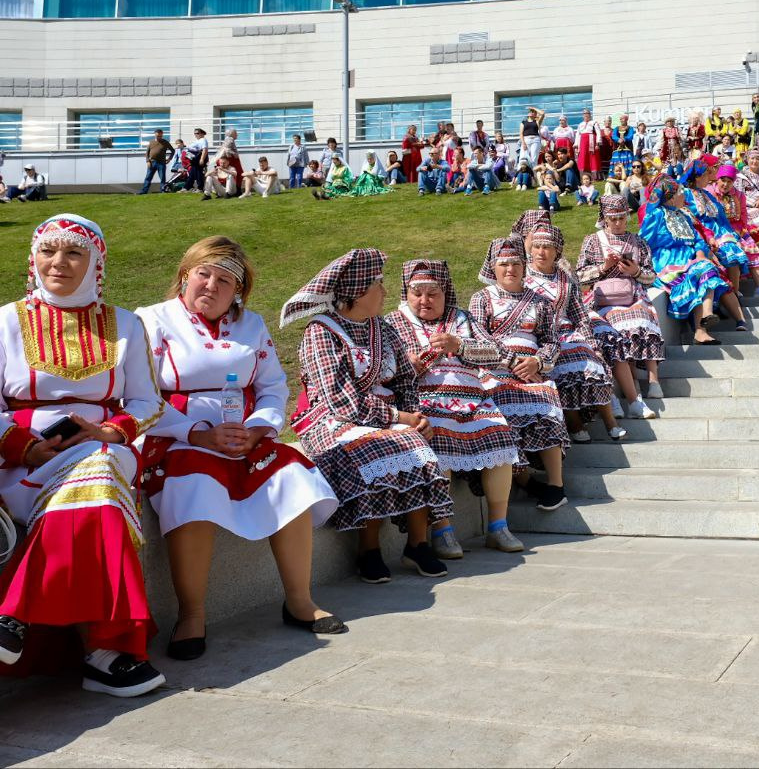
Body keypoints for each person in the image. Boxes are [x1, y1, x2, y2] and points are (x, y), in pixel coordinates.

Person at [136, 238, 342, 660]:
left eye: (225, 280)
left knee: (291, 476)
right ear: (184, 276)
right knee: (192, 487)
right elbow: (139, 395)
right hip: (176, 438)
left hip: (241, 437)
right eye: (203, 274)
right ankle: (192, 614)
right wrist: (195, 433)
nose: (211, 285)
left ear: (238, 291)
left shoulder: (251, 326)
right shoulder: (150, 321)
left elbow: (272, 386)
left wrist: (258, 428)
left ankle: (299, 600)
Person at [0, 214, 166, 697]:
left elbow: (148, 403)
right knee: (98, 493)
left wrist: (110, 429)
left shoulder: (126, 324)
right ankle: (106, 653)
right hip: (22, 458)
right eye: (49, 250)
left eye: (74, 252)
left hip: (106, 445)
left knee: (97, 462)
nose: (59, 262)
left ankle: (14, 614)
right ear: (32, 257)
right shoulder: (5, 321)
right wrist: (23, 447)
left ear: (95, 262)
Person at [283, 249, 453, 584]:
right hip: (332, 420)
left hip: (387, 417)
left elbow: (405, 376)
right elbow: (342, 403)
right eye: (378, 284)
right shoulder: (321, 332)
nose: (385, 292)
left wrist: (414, 416)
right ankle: (368, 548)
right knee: (379, 448)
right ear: (358, 291)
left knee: (415, 442)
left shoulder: (381, 327)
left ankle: (417, 544)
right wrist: (399, 418)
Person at [385, 260, 525, 556]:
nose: (424, 300)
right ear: (406, 294)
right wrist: (406, 364)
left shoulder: (462, 319)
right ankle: (443, 530)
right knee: (438, 438)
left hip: (474, 401)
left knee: (499, 434)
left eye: (432, 293)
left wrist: (459, 346)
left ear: (445, 292)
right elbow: (380, 368)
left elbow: (497, 353)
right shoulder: (393, 323)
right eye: (417, 293)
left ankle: (498, 527)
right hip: (425, 402)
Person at [469, 237, 571, 511]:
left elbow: (552, 341)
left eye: (515, 263)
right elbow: (478, 340)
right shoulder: (481, 299)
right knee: (498, 403)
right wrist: (512, 363)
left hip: (532, 370)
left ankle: (556, 484)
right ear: (493, 268)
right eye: (503, 264)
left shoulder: (541, 302)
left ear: (524, 266)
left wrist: (537, 362)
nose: (510, 269)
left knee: (544, 398)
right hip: (495, 369)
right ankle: (524, 479)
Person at [524, 225, 627, 444]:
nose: (541, 252)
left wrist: (592, 344)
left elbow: (579, 314)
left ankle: (611, 424)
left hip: (567, 333)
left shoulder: (565, 279)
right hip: (540, 337)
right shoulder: (523, 278)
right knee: (559, 370)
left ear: (556, 251)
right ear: (531, 250)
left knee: (592, 362)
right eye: (537, 247)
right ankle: (576, 425)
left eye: (547, 247)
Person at [576, 196, 665, 412]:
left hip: (633, 294)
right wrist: (602, 268)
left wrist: (634, 271)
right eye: (613, 218)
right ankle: (633, 381)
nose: (617, 223)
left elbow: (651, 277)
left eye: (621, 218)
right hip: (604, 298)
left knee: (644, 318)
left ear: (627, 217)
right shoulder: (592, 241)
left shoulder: (638, 241)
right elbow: (579, 276)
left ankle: (654, 380)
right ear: (604, 218)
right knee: (618, 324)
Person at [639, 175, 738, 345]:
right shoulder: (656, 215)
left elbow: (699, 240)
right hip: (667, 262)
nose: (684, 196)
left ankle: (703, 324)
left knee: (706, 268)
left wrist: (700, 253)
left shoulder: (683, 215)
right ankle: (703, 323)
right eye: (680, 193)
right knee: (702, 271)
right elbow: (642, 241)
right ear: (670, 197)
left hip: (690, 261)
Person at [683, 156, 755, 319]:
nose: (709, 177)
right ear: (697, 177)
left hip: (717, 231)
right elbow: (690, 217)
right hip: (701, 233)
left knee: (733, 252)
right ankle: (719, 302)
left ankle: (734, 294)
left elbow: (720, 216)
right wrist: (708, 236)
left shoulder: (706, 194)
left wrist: (729, 233)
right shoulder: (686, 194)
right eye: (705, 175)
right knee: (722, 255)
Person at [710, 163, 759, 296]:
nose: (725, 184)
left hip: (737, 228)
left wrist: (742, 231)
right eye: (723, 180)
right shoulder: (710, 193)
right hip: (718, 230)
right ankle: (734, 290)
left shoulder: (738, 195)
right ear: (718, 179)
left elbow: (743, 214)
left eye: (729, 181)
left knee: (751, 246)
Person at [138, 128, 175, 195]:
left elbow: (173, 150)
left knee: (162, 178)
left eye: (160, 136)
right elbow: (147, 152)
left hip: (161, 163)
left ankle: (163, 190)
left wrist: (169, 159)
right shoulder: (151, 142)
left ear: (162, 135)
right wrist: (147, 161)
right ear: (155, 135)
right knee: (148, 177)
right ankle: (144, 191)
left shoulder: (165, 142)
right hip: (152, 162)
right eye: (158, 136)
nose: (159, 137)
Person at [185, 127, 209, 191]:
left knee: (199, 174)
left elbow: (205, 150)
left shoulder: (203, 140)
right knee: (192, 174)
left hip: (199, 159)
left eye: (197, 133)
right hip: (194, 159)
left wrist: (202, 159)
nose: (196, 134)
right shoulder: (197, 141)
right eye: (195, 133)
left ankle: (200, 188)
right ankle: (187, 187)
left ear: (202, 134)